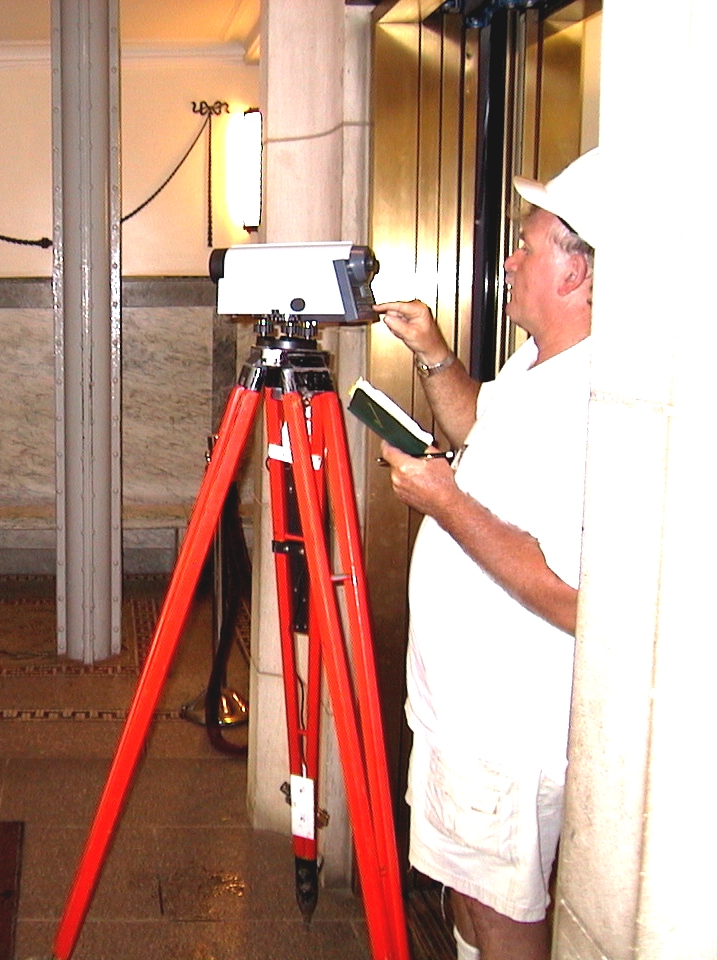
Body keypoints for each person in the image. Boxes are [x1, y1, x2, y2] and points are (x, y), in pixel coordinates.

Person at [375, 148, 600, 960]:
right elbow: (474, 424)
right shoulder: (538, 359)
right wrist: (433, 350)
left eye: (527, 245)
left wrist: (447, 503)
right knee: (471, 911)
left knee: (506, 923)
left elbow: (578, 596)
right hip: (460, 718)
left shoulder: (594, 398)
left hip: (507, 730)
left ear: (576, 273)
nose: (509, 259)